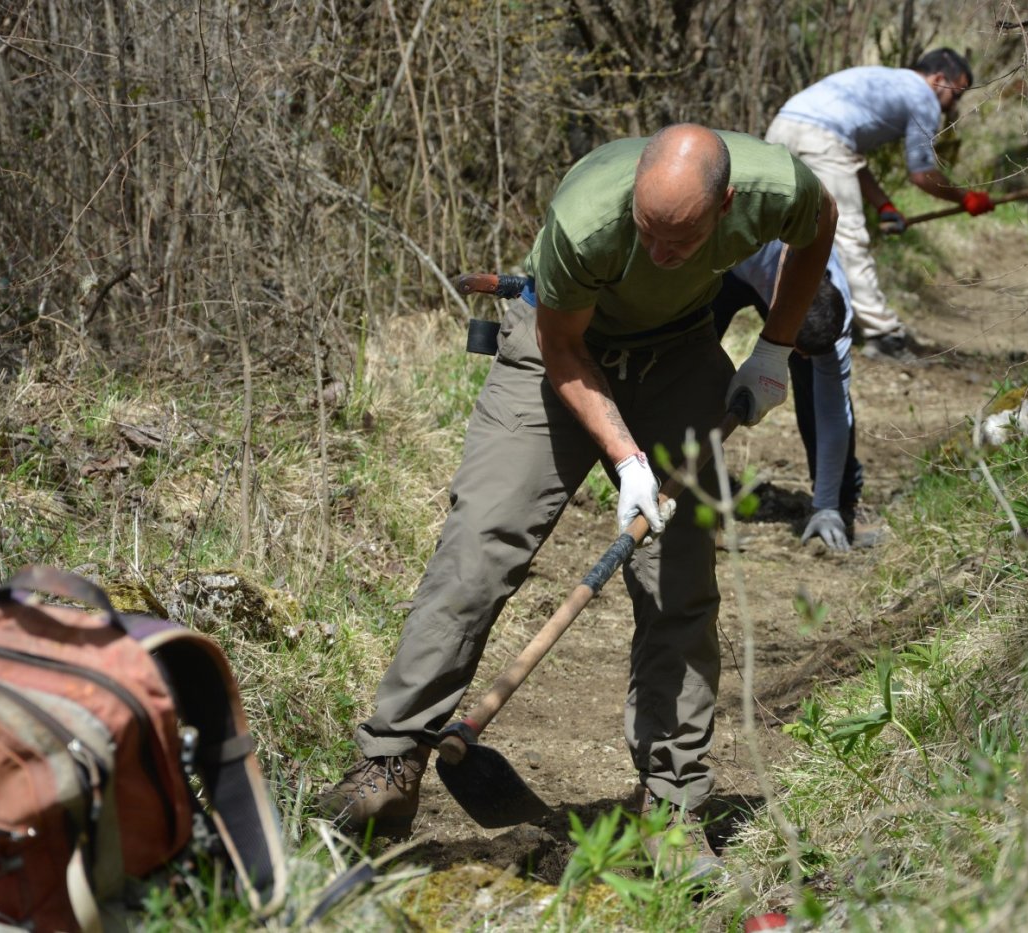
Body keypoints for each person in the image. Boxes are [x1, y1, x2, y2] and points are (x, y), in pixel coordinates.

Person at [320, 124, 837, 879]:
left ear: (725, 205)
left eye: (679, 240)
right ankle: (389, 765)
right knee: (481, 543)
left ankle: (673, 799)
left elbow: (818, 229)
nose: (659, 252)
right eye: (648, 233)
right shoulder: (588, 218)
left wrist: (774, 347)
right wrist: (627, 459)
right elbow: (564, 351)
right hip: (557, 348)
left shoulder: (775, 188)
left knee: (680, 582)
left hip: (679, 351)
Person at [766, 47, 992, 359]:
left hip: (783, 125)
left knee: (784, 235)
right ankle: (883, 334)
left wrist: (884, 205)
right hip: (819, 140)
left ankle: (787, 319)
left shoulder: (884, 79)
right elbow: (922, 174)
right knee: (847, 239)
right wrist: (965, 197)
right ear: (939, 79)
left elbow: (846, 155)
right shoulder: (923, 97)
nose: (955, 105)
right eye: (958, 93)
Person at [711, 243, 862, 551]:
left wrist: (827, 505)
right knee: (692, 358)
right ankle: (683, 480)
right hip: (727, 263)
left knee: (817, 388)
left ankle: (835, 503)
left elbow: (833, 413)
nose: (799, 356)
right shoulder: (754, 251)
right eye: (797, 350)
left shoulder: (839, 319)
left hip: (782, 287)